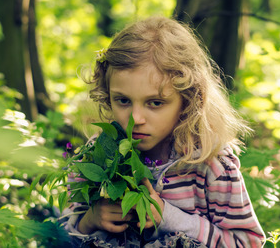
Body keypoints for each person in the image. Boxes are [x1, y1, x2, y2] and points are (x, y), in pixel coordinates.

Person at [63, 16, 265, 247]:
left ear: (188, 100)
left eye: (155, 103)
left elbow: (248, 243)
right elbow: (63, 231)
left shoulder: (211, 164)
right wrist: (89, 220)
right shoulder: (98, 155)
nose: (136, 119)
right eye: (123, 100)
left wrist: (170, 217)